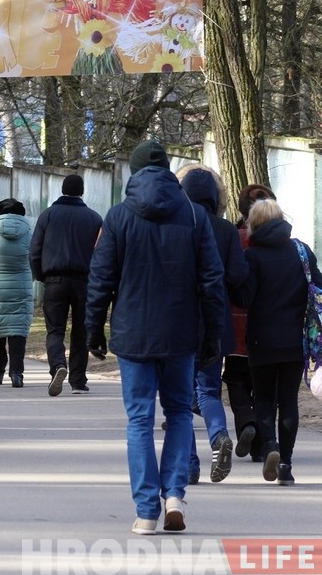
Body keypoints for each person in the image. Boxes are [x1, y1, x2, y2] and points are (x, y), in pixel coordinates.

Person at [86, 139, 225, 535]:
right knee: (180, 412)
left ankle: (146, 510)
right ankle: (175, 495)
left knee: (140, 419)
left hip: (133, 334)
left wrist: (94, 329)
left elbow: (101, 279)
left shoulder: (118, 217)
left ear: (134, 172)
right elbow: (212, 281)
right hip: (182, 333)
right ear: (168, 170)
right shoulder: (196, 217)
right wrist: (213, 334)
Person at [230, 199, 320, 485]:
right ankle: (286, 465)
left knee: (265, 399)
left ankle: (270, 446)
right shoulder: (301, 251)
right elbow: (317, 286)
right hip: (295, 340)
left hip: (261, 339)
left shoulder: (252, 257)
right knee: (289, 401)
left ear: (253, 224)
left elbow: (244, 299)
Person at [177, 165, 249, 484]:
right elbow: (237, 275)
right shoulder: (225, 230)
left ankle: (190, 465)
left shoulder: (176, 224)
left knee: (180, 395)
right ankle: (219, 435)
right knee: (208, 390)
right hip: (215, 319)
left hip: (179, 320)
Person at [30, 175, 102, 396]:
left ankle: (58, 366)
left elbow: (35, 251)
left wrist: (41, 276)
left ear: (62, 190)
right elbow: (102, 253)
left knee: (55, 330)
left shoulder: (48, 216)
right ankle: (78, 380)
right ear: (82, 191)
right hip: (84, 281)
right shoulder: (94, 218)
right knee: (81, 331)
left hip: (55, 280)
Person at [225, 184, 277, 463]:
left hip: (236, 324)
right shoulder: (284, 241)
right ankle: (261, 444)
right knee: (265, 384)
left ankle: (247, 422)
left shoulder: (235, 238)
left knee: (235, 378)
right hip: (271, 326)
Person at [0, 198, 34, 388]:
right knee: (18, 331)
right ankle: (17, 373)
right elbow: (35, 260)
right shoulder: (30, 235)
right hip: (21, 287)